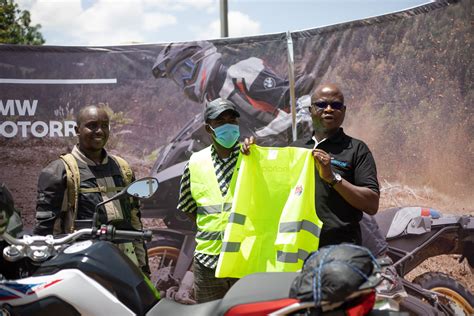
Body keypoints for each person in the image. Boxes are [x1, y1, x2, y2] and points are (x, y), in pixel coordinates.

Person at [34, 105, 150, 275]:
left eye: (104, 125)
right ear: (77, 130)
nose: (99, 131)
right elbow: (46, 233)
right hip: (82, 266)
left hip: (126, 264)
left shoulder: (123, 168)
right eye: (92, 125)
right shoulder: (58, 171)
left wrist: (143, 267)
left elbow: (134, 221)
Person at [177, 97, 251, 303]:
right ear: (209, 129)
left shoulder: (252, 157)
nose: (228, 126)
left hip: (245, 259)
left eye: (232, 121)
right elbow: (187, 206)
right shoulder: (195, 163)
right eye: (220, 122)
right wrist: (213, 226)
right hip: (208, 263)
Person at [292, 83, 380, 247]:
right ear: (311, 110)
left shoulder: (357, 149)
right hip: (297, 247)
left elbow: (372, 204)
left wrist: (333, 178)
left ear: (344, 111)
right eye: (321, 104)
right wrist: (249, 154)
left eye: (336, 105)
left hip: (341, 249)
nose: (329, 109)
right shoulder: (295, 149)